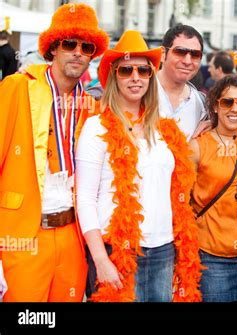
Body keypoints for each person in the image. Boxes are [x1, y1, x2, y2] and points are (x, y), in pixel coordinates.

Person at [75, 30, 201, 302]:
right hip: (117, 250)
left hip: (163, 251)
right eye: (126, 70)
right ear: (113, 76)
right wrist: (100, 259)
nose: (135, 77)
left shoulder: (165, 128)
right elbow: (84, 198)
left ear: (150, 76)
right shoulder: (96, 128)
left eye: (143, 71)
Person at [0, 3, 108, 302]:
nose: (77, 52)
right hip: (22, 237)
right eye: (69, 43)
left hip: (73, 237)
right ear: (53, 48)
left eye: (86, 46)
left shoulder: (92, 108)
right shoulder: (17, 87)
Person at [189, 75, 237, 302]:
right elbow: (181, 200)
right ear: (215, 105)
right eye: (227, 102)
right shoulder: (197, 146)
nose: (235, 109)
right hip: (210, 256)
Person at [158, 24, 209, 140]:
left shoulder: (202, 105)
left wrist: (216, 126)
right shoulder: (139, 91)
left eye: (195, 55)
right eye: (180, 52)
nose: (187, 61)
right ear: (162, 54)